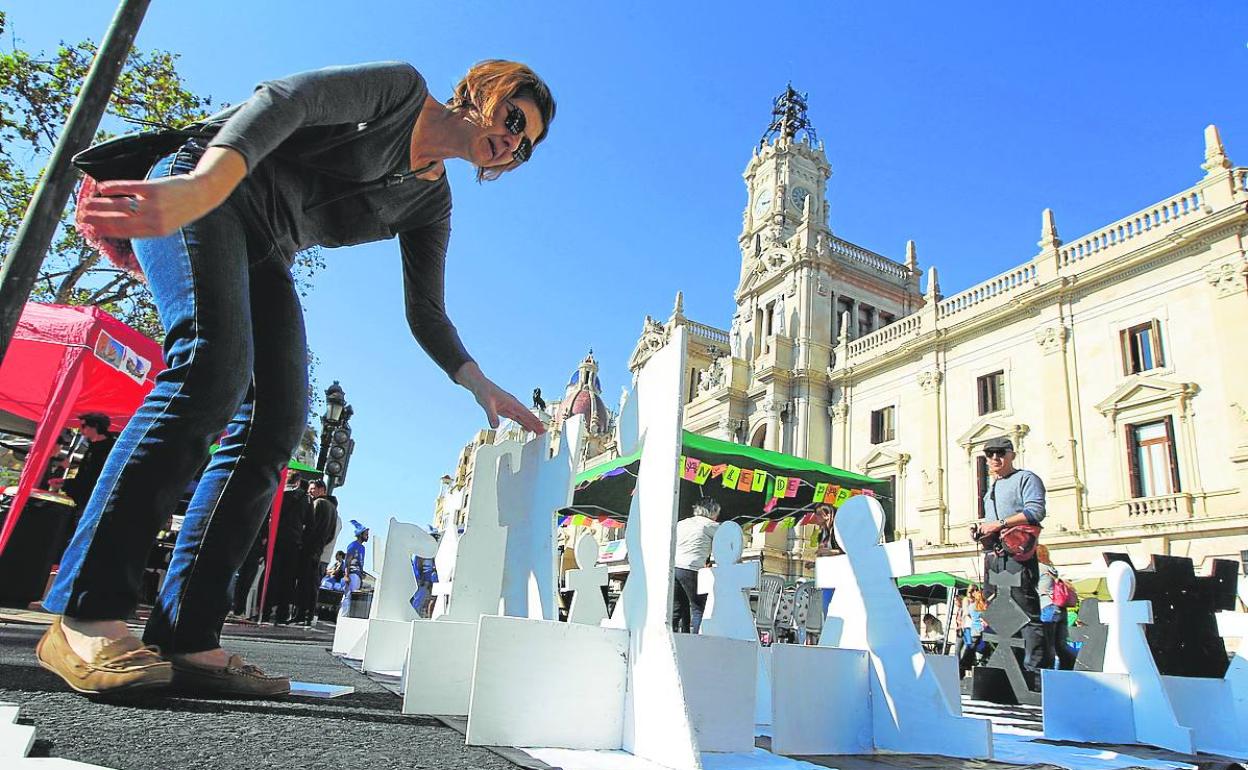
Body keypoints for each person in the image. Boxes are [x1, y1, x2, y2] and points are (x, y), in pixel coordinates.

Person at [37, 58, 556, 699]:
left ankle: (190, 638)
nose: (512, 140)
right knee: (211, 368)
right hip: (204, 189)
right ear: (481, 91)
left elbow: (426, 310)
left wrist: (481, 384)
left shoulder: (431, 202)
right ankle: (86, 612)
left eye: (526, 144)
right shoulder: (399, 92)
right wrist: (203, 184)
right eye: (512, 118)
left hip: (267, 248)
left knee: (276, 424)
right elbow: (285, 101)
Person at [973, 436, 1047, 690]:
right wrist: (983, 530)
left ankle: (1034, 675)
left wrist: (1000, 524)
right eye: (990, 454)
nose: (995, 458)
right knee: (996, 613)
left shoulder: (1027, 479)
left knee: (1026, 613)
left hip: (1018, 556)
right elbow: (992, 522)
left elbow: (1035, 512)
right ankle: (1004, 670)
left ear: (1012, 455)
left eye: (1000, 452)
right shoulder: (989, 491)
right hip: (994, 557)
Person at [263, 475, 308, 624]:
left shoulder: (278, 494)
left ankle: (265, 611)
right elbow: (310, 523)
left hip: (276, 539)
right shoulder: (305, 500)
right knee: (287, 579)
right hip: (294, 542)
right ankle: (282, 614)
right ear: (298, 482)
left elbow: (267, 516)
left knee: (271, 575)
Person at [672, 499, 721, 633]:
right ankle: (698, 640)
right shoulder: (712, 525)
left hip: (674, 567)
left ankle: (671, 639)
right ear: (712, 512)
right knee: (699, 608)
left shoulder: (681, 523)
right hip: (692, 568)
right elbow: (723, 545)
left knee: (677, 609)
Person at [293, 479, 337, 625]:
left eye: (312, 489)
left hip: (308, 548)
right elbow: (331, 534)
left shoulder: (317, 504)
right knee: (312, 584)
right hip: (318, 550)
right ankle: (309, 614)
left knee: (303, 583)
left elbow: (310, 526)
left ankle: (300, 614)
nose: (310, 492)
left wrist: (303, 541)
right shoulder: (333, 510)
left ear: (321, 490)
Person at [61, 414, 117, 513]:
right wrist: (65, 483)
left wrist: (66, 484)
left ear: (95, 426)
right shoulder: (92, 447)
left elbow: (92, 478)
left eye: (83, 426)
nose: (81, 431)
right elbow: (84, 476)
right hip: (84, 502)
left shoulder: (111, 449)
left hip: (94, 504)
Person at [1036, 545, 1077, 670]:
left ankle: (1049, 671)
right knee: (1061, 644)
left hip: (1047, 606)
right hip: (1060, 608)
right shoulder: (1051, 569)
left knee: (1048, 644)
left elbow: (1038, 589)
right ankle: (1070, 668)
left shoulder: (1038, 568)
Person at [340, 520, 370, 618]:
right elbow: (347, 561)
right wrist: (346, 575)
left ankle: (347, 618)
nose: (367, 536)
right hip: (352, 574)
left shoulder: (362, 548)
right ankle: (343, 618)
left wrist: (362, 573)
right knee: (348, 596)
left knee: (353, 597)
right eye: (366, 534)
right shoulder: (353, 545)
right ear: (361, 534)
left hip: (357, 575)